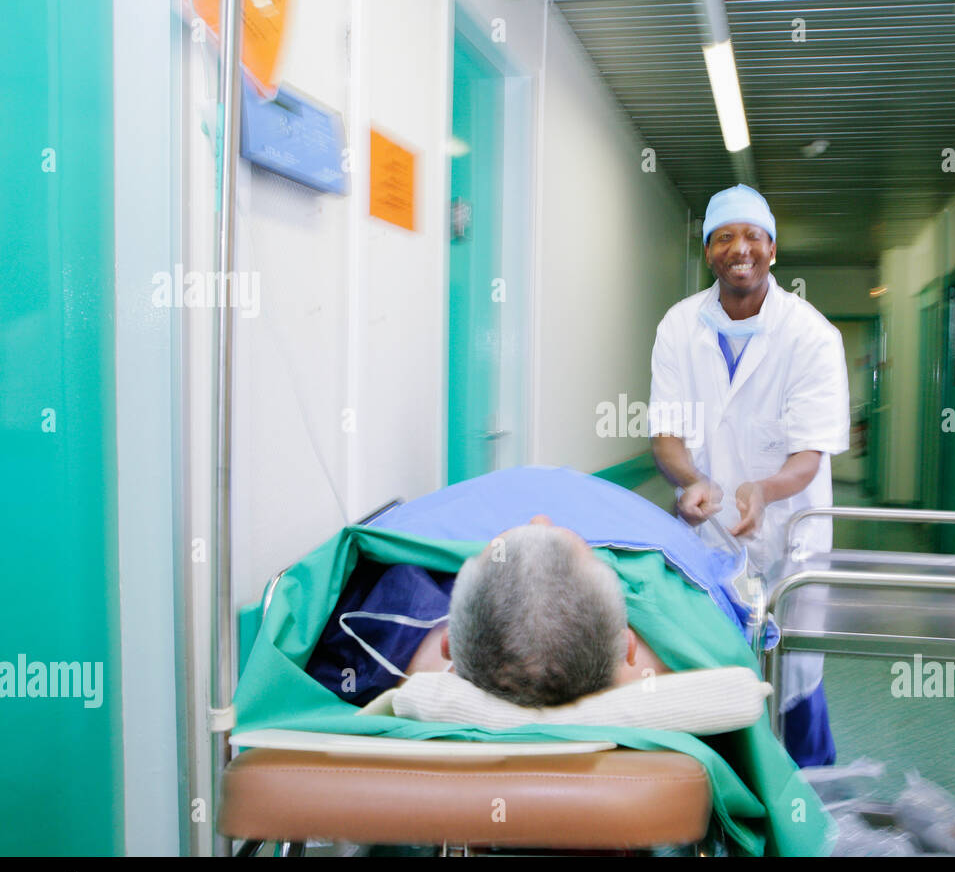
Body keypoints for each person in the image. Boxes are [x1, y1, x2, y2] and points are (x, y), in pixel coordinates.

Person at [648, 183, 850, 767]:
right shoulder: (678, 328)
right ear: (708, 251)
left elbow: (808, 456)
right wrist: (692, 482)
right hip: (707, 532)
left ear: (773, 250)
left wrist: (761, 491)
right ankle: (725, 804)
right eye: (724, 237)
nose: (741, 248)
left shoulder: (811, 335)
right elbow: (667, 435)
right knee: (710, 674)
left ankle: (809, 799)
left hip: (791, 533)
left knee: (796, 679)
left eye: (754, 236)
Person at [305, 516, 672, 708]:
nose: (540, 518)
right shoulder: (654, 663)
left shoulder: (360, 635)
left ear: (448, 643)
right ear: (628, 646)